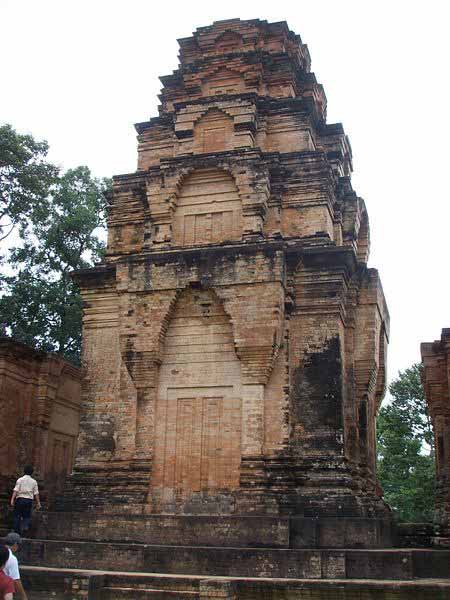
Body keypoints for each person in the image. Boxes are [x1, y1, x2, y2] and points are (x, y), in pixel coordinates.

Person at [10, 465, 41, 535]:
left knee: (17, 515)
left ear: (24, 471)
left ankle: (16, 531)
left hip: (20, 499)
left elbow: (16, 490)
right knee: (26, 516)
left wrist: (12, 499)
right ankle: (25, 529)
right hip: (29, 500)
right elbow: (36, 493)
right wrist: (38, 503)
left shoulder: (20, 480)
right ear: (32, 472)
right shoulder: (34, 481)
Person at [2, 533, 27, 600]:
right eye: (18, 545)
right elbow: (16, 580)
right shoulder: (12, 558)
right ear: (15, 544)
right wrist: (24, 597)